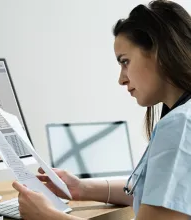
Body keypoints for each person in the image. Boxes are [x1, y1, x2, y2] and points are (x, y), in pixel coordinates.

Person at [12, 0, 191, 219]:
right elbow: (160, 194)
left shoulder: (180, 126)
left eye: (125, 62)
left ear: (160, 53)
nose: (121, 79)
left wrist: (47, 216)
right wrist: (80, 188)